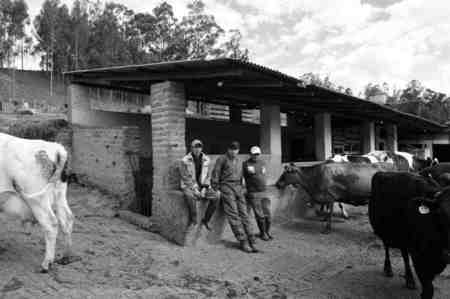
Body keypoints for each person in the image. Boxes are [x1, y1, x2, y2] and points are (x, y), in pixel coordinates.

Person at [211, 141, 258, 253]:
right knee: (233, 214)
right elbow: (215, 174)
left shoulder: (239, 160)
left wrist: (243, 187)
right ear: (228, 149)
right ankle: (243, 241)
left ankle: (251, 238)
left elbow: (241, 176)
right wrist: (216, 188)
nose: (234, 151)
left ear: (238, 150)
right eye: (232, 149)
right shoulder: (222, 159)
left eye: (236, 149)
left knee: (244, 214)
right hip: (226, 186)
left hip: (238, 188)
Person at [180, 139, 216, 226]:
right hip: (189, 186)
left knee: (216, 196)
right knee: (189, 196)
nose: (197, 149)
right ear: (191, 148)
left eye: (199, 147)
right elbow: (185, 177)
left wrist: (204, 188)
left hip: (203, 186)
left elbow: (209, 175)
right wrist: (195, 189)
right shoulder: (184, 160)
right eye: (195, 147)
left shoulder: (207, 159)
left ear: (202, 148)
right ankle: (194, 219)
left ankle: (206, 220)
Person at [243, 146, 272, 241]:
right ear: (250, 154)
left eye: (257, 154)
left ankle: (267, 232)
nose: (256, 156)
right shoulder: (246, 164)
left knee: (268, 213)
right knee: (259, 215)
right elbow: (242, 177)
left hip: (264, 191)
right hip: (253, 193)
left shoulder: (262, 163)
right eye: (254, 154)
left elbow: (264, 175)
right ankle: (263, 233)